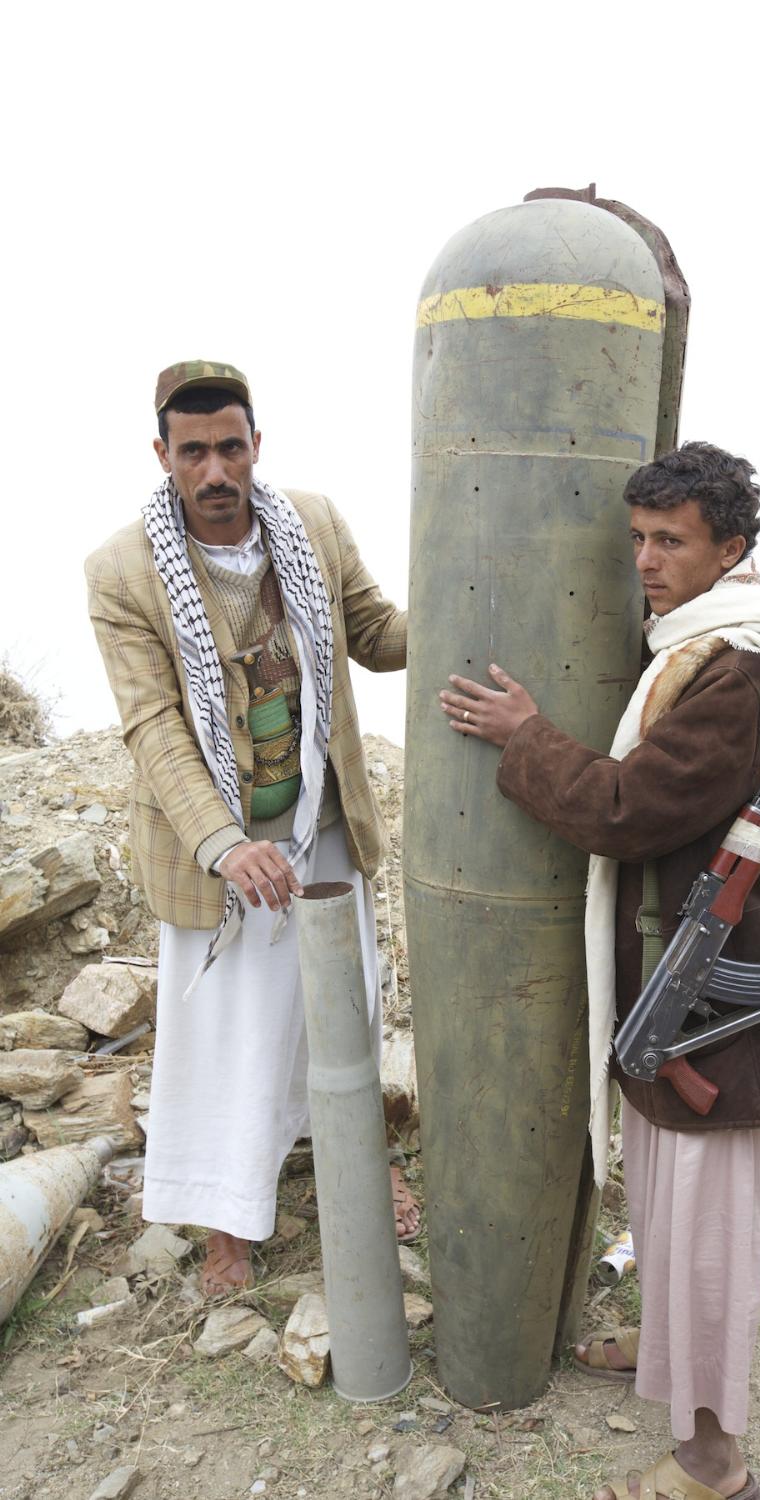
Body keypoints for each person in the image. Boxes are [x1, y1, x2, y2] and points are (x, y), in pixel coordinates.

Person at [439, 442, 760, 1500]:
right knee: (667, 1205)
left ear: (732, 547)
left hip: (720, 994)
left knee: (708, 1235)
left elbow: (627, 811)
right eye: (637, 539)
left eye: (671, 541)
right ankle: (671, 1367)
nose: (647, 561)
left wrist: (527, 738)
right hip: (683, 972)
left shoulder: (741, 665)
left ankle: (714, 1463)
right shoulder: (694, 642)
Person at [86, 360, 419, 1295]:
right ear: (165, 456)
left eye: (231, 446)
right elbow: (152, 722)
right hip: (216, 855)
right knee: (225, 1039)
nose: (216, 469)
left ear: (255, 445)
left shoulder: (308, 524)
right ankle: (225, 1220)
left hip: (319, 824)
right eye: (194, 452)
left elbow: (378, 636)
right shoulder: (121, 571)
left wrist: (472, 599)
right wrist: (226, 846)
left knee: (338, 1006)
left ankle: (362, 1163)